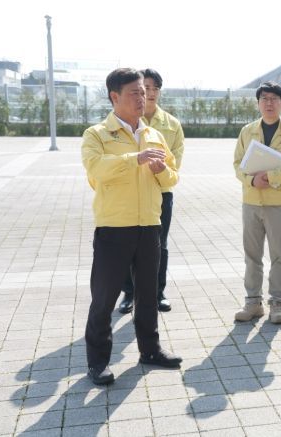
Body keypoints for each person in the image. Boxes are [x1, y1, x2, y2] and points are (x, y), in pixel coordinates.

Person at [82, 68, 183, 385]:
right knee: (105, 297)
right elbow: (96, 170)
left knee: (148, 294)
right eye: (135, 93)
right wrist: (134, 158)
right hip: (114, 227)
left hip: (150, 224)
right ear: (115, 97)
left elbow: (171, 178)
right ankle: (98, 362)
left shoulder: (154, 134)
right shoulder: (97, 134)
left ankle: (150, 351)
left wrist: (160, 169)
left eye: (144, 92)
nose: (143, 98)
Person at [233, 81, 281, 324]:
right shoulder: (247, 131)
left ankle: (277, 304)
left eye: (274, 99)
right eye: (264, 98)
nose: (269, 103)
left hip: (279, 203)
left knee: (278, 256)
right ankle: (253, 303)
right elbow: (237, 164)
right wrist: (252, 181)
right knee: (252, 255)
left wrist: (271, 177)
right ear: (258, 103)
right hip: (251, 202)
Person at [118, 68, 185, 314]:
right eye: (146, 88)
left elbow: (174, 163)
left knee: (159, 244)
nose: (151, 93)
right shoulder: (123, 121)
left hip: (161, 192)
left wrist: (158, 172)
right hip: (129, 192)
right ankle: (129, 293)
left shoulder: (171, 125)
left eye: (155, 88)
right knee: (128, 243)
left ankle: (158, 292)